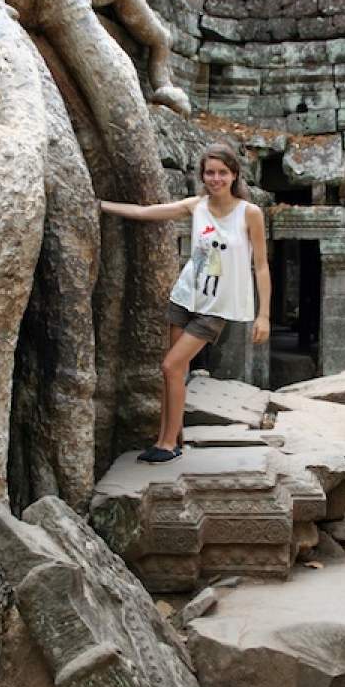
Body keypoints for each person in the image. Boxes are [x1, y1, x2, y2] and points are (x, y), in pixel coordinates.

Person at [100, 143, 271, 463]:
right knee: (174, 371)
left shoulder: (250, 213)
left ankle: (166, 445)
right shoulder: (198, 206)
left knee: (171, 365)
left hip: (215, 306)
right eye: (210, 172)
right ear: (203, 175)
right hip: (185, 296)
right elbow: (146, 213)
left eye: (222, 172)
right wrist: (101, 205)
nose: (216, 178)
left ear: (234, 175)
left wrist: (264, 316)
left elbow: (260, 266)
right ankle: (172, 437)